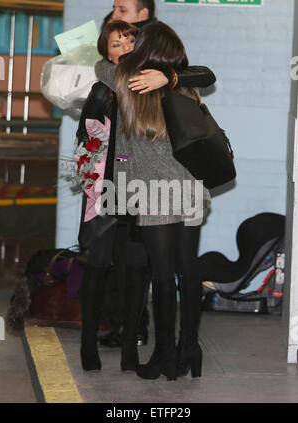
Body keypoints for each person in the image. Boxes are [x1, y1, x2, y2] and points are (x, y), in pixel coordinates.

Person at [77, 18, 215, 373]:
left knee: (164, 274)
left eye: (134, 44)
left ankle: (167, 354)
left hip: (155, 192)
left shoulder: (126, 80)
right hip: (192, 189)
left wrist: (160, 74)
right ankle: (189, 351)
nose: (128, 49)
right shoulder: (184, 86)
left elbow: (98, 66)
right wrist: (170, 76)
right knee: (187, 271)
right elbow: (207, 74)